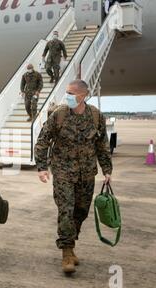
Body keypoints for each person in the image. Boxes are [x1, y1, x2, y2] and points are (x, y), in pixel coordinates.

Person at [34, 79, 113, 275]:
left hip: (86, 173)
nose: (67, 96)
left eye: (71, 93)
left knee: (81, 211)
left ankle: (71, 242)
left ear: (83, 95)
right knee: (66, 210)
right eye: (67, 93)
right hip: (62, 172)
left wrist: (107, 170)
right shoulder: (58, 115)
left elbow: (102, 145)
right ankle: (67, 251)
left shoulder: (96, 116)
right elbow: (43, 141)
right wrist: (42, 167)